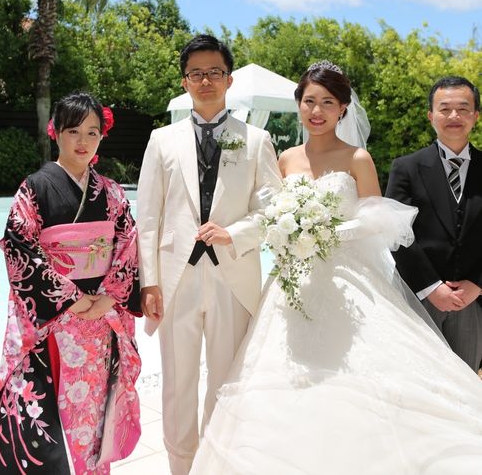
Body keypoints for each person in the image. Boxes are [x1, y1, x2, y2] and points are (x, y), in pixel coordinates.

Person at [191, 61, 482, 475]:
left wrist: (323, 230)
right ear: (298, 104)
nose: (317, 110)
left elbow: (380, 224)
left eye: (328, 102)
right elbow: (268, 214)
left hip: (348, 281)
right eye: (310, 101)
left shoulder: (358, 158)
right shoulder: (284, 158)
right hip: (291, 285)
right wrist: (246, 233)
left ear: (343, 108)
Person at [137, 34, 282, 474]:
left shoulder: (256, 140)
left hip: (233, 278)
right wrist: (149, 282)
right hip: (175, 278)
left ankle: (218, 465)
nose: (205, 81)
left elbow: (273, 210)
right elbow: (148, 217)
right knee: (177, 384)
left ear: (229, 79)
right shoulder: (161, 139)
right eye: (196, 73)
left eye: (214, 72)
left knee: (227, 383)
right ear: (185, 81)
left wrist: (233, 233)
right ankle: (180, 467)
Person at [0, 93, 142, 474]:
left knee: (93, 416)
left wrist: (108, 298)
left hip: (99, 323)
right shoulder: (34, 188)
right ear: (56, 132)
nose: (83, 141)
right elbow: (19, 246)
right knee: (47, 414)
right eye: (74, 131)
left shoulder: (112, 192)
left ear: (102, 136)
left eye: (92, 132)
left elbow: (128, 244)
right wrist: (69, 298)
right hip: (54, 322)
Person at [386, 76, 482, 371]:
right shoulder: (406, 167)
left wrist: (478, 284)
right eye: (445, 109)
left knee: (467, 382)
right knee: (419, 380)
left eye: (463, 109)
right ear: (430, 115)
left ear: (476, 116)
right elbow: (395, 232)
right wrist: (431, 288)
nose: (454, 116)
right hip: (419, 296)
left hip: (473, 300)